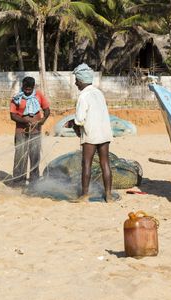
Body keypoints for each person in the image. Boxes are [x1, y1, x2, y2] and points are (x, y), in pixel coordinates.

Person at [70, 63, 114, 202]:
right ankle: (108, 194)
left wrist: (72, 124)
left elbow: (79, 119)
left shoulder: (83, 96)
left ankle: (84, 195)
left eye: (77, 80)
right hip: (105, 132)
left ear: (81, 81)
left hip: (91, 134)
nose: (76, 83)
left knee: (86, 163)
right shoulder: (98, 93)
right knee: (105, 163)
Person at [9, 76, 50, 187]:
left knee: (34, 155)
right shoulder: (17, 97)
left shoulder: (39, 95)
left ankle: (34, 180)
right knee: (20, 156)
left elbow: (47, 110)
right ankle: (18, 181)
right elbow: (12, 115)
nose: (27, 91)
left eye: (29, 89)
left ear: (33, 87)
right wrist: (24, 120)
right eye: (25, 89)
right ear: (23, 86)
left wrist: (42, 121)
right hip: (21, 131)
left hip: (35, 131)